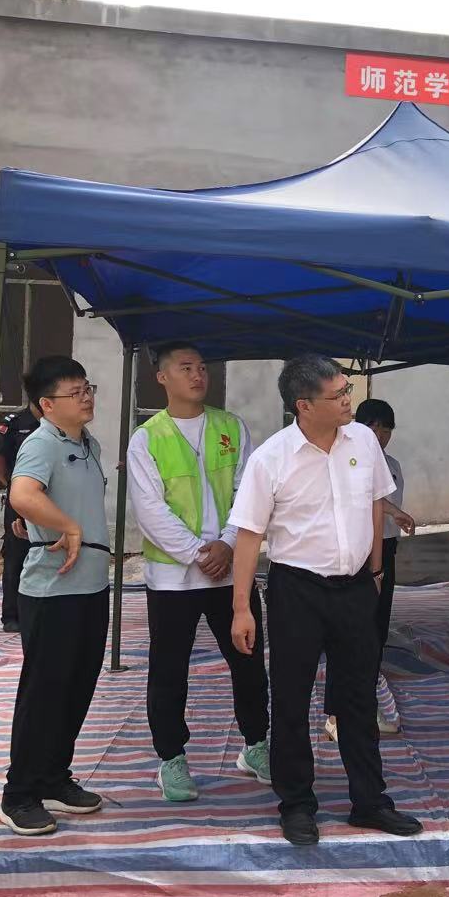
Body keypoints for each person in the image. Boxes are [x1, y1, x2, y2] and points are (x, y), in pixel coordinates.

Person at [227, 355, 422, 846]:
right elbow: (249, 536)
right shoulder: (271, 459)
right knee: (291, 697)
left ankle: (370, 801)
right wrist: (241, 608)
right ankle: (296, 803)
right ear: (304, 405)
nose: (348, 401)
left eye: (347, 391)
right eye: (338, 395)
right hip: (297, 590)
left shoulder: (363, 443)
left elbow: (375, 503)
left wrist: (375, 570)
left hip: (355, 586)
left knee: (358, 696)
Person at [126, 341, 268, 803]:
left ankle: (256, 744)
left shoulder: (231, 427)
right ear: (162, 377)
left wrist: (228, 543)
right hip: (174, 577)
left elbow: (249, 491)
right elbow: (150, 510)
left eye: (202, 367)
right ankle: (171, 758)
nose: (198, 375)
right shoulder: (147, 438)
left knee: (248, 660)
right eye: (186, 368)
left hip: (231, 571)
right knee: (169, 670)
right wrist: (198, 553)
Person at [0, 357, 112, 836]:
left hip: (91, 585)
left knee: (78, 686)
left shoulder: (89, 444)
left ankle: (53, 776)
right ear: (47, 405)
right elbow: (23, 494)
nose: (86, 397)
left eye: (88, 388)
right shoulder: (41, 443)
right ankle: (19, 793)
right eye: (75, 392)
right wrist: (66, 525)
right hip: (52, 591)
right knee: (44, 693)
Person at [323, 398, 415, 740]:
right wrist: (394, 512)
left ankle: (364, 701)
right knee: (347, 630)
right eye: (373, 427)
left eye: (386, 428)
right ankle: (336, 714)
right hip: (355, 554)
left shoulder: (392, 465)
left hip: (384, 551)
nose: (380, 435)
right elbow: (365, 501)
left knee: (375, 630)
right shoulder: (345, 461)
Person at [0, 393, 42, 633]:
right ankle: (12, 615)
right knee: (16, 553)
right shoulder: (14, 423)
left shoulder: (60, 422)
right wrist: (14, 486)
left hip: (51, 497)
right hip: (20, 498)